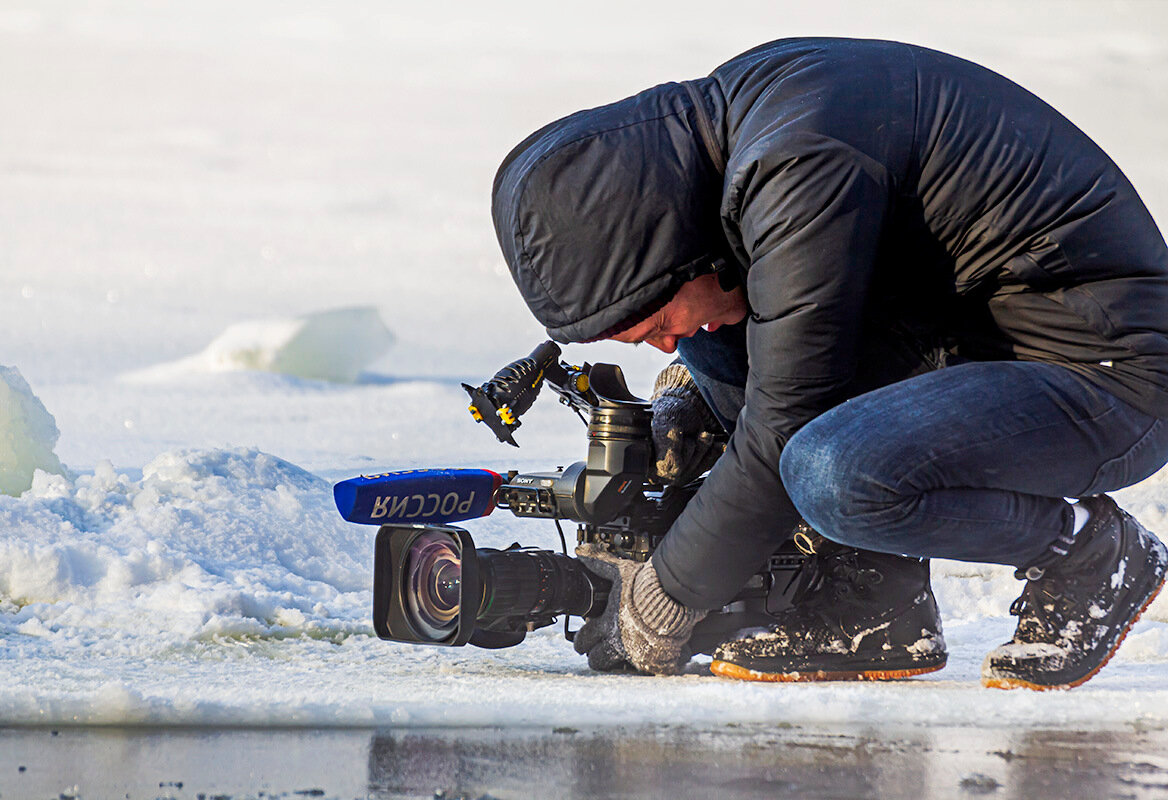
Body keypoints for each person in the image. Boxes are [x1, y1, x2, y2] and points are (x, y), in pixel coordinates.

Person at [490, 38, 1168, 690]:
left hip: (1107, 374)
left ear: (660, 246)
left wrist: (662, 601)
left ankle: (1088, 549)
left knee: (832, 473)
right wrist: (699, 396)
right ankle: (876, 605)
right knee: (718, 335)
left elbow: (785, 424)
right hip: (975, 334)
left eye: (651, 326)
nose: (663, 345)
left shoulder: (799, 162)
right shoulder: (735, 132)